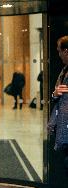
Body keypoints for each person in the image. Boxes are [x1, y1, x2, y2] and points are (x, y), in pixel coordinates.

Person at [48, 35, 68, 174]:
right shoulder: (64, 71)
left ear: (66, 51)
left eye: (59, 51)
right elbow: (55, 96)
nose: (59, 54)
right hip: (63, 126)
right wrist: (55, 94)